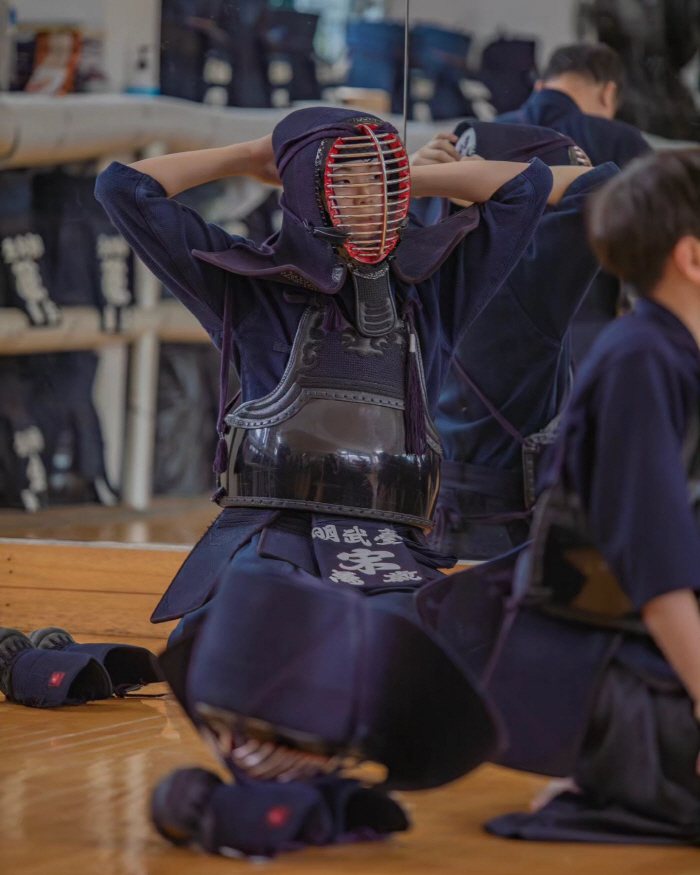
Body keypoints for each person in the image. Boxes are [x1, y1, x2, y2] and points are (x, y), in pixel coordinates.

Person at [92, 105, 592, 858]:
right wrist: (255, 150)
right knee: (246, 646)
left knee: (492, 640)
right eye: (348, 184)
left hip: (394, 551)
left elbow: (528, 190)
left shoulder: (433, 291)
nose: (372, 202)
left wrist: (412, 170)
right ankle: (294, 778)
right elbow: (122, 190)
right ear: (301, 189)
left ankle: (329, 767)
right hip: (274, 540)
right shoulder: (248, 288)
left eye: (383, 187)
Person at [420, 149, 700, 844]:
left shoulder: (668, 355)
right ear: (692, 258)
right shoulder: (641, 361)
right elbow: (659, 577)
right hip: (632, 692)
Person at [411, 119, 617, 560]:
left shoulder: (416, 254)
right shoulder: (523, 278)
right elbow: (604, 186)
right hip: (502, 526)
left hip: (421, 508)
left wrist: (415, 177)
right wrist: (490, 181)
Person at [499, 42, 652, 363]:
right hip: (583, 325)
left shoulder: (486, 131)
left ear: (541, 85)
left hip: (481, 325)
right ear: (608, 93)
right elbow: (650, 233)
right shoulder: (621, 140)